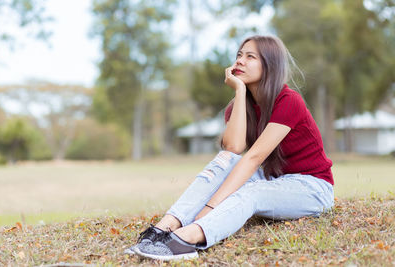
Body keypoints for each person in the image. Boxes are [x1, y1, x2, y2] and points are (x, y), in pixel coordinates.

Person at [124, 35, 334, 261]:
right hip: (275, 180)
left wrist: (209, 209)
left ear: (270, 65)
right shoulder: (239, 108)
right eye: (239, 55)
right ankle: (163, 229)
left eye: (250, 57)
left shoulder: (288, 101)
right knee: (225, 160)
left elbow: (254, 158)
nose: (240, 61)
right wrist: (240, 92)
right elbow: (233, 148)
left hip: (312, 187)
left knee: (250, 193)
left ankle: (189, 238)